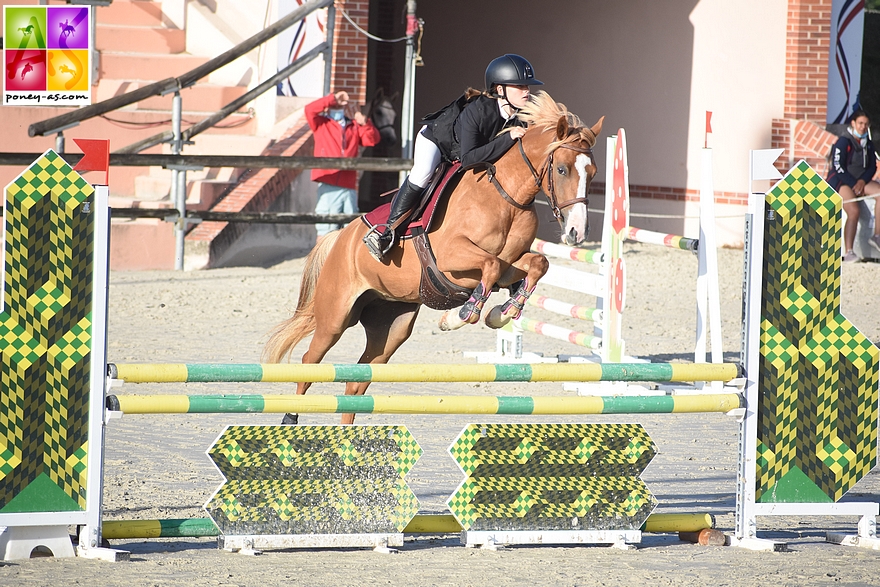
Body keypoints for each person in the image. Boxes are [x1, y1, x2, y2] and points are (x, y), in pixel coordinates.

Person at [363, 54, 543, 261]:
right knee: (422, 174)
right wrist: (508, 138)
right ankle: (387, 233)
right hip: (437, 142)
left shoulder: (521, 116)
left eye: (528, 87)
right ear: (500, 89)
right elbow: (468, 159)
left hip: (467, 151)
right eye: (520, 86)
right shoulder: (479, 111)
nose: (527, 92)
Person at [305, 91, 381, 240]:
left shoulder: (353, 126)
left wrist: (365, 123)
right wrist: (332, 99)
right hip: (328, 181)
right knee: (325, 229)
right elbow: (309, 109)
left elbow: (372, 140)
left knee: (350, 230)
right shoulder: (321, 123)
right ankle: (321, 263)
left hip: (349, 185)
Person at [826, 109, 880, 262]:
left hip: (860, 180)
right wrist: (853, 183)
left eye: (865, 124)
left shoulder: (868, 144)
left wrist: (862, 181)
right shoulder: (843, 142)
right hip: (842, 181)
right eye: (860, 123)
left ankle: (876, 236)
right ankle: (849, 251)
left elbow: (871, 166)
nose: (863, 127)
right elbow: (838, 167)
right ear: (853, 123)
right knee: (853, 210)